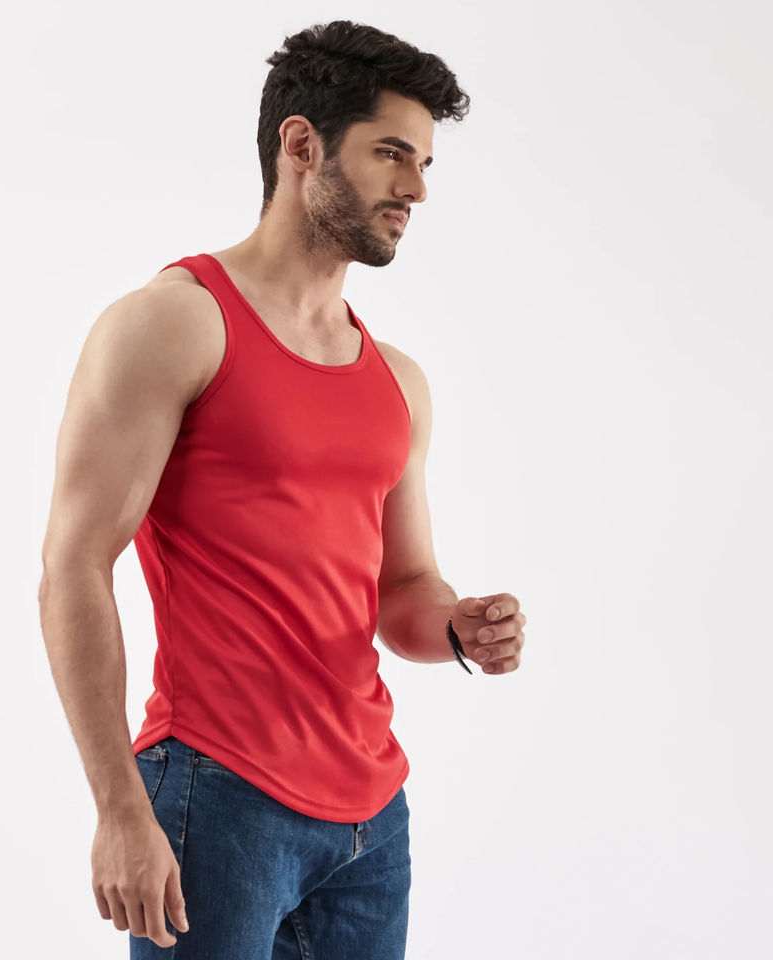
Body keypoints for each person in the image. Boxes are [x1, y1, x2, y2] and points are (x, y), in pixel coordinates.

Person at [37, 18, 527, 959]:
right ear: (301, 146)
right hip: (218, 796)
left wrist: (458, 626)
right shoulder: (174, 325)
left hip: (373, 822)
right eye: (391, 154)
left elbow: (402, 592)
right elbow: (73, 566)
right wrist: (119, 808)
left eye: (425, 163)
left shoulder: (397, 380)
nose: (417, 189)